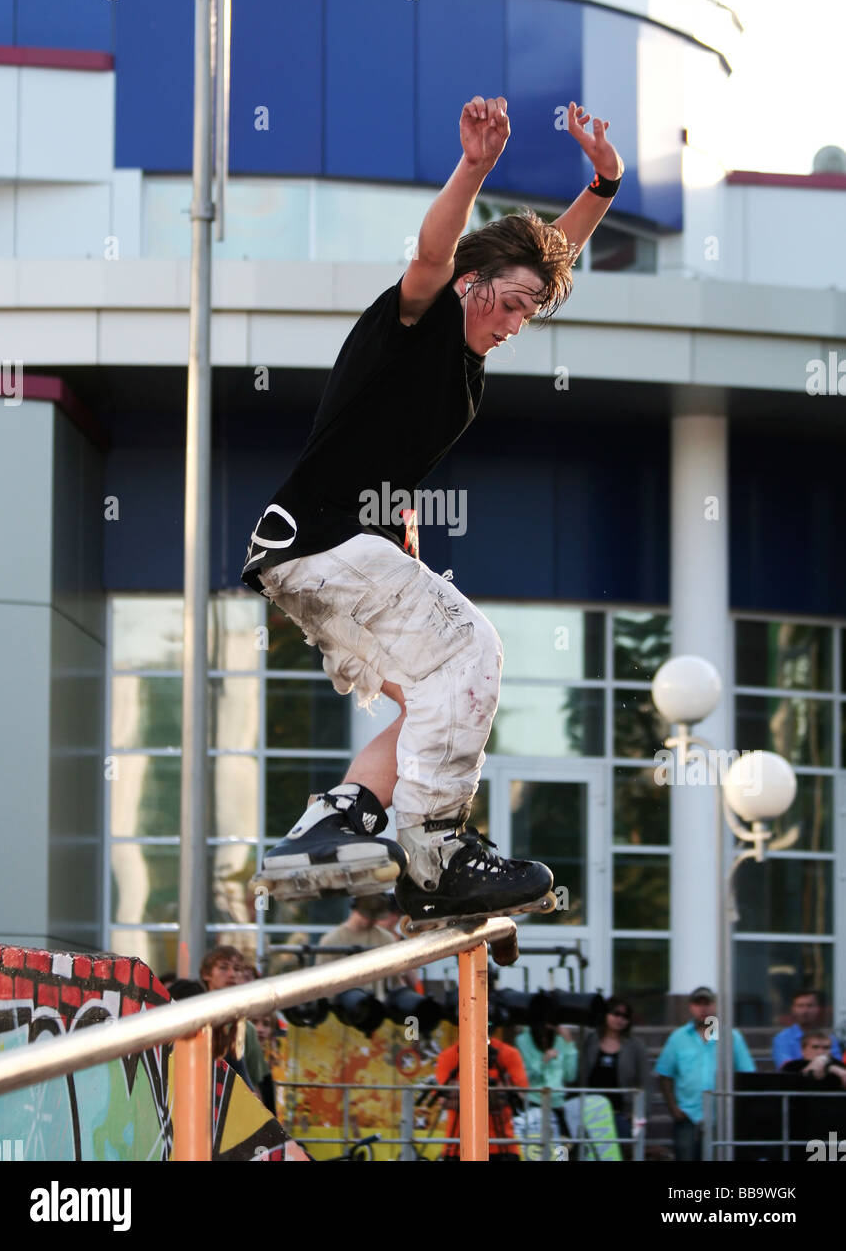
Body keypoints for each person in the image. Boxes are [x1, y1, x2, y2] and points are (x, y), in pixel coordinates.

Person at [242, 94, 624, 928]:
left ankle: (329, 825)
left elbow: (541, 257)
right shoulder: (417, 316)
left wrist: (602, 184)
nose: (518, 323)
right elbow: (432, 250)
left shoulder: (468, 348)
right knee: (470, 649)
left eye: (531, 312)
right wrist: (476, 166)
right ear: (470, 285)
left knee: (431, 699)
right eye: (513, 304)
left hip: (313, 559)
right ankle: (436, 850)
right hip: (325, 540)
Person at [655, 985, 755, 1161]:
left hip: (722, 1116)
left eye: (707, 1003)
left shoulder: (731, 1036)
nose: (703, 1008)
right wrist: (673, 1109)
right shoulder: (678, 1038)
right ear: (690, 1006)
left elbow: (747, 1074)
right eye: (697, 1003)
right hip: (688, 1116)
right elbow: (664, 1075)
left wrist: (737, 1109)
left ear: (715, 1005)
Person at [199, 944, 273, 1107]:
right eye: (223, 968)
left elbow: (255, 1080)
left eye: (237, 969)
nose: (232, 974)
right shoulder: (192, 1018)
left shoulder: (246, 1028)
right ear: (206, 974)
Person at [436, 1030, 528, 1161]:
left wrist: (463, 1091)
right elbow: (444, 1100)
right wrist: (492, 1091)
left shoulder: (509, 1053)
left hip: (502, 1146)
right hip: (457, 1147)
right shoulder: (448, 1055)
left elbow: (517, 1095)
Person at [577, 996, 651, 1157]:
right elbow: (581, 1075)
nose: (620, 1019)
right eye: (616, 1013)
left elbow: (645, 1082)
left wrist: (638, 1113)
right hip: (591, 1113)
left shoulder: (635, 1045)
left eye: (625, 1016)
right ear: (605, 1014)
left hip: (621, 1114)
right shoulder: (591, 1041)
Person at [513, 1022, 577, 1156]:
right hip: (532, 1103)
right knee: (534, 1152)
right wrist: (544, 1061)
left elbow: (570, 1075)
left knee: (563, 1151)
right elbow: (524, 1076)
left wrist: (570, 1044)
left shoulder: (560, 1040)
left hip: (557, 1104)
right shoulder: (522, 1040)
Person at [317, 895, 397, 998]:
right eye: (367, 916)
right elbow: (321, 980)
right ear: (355, 909)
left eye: (375, 917)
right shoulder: (332, 940)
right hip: (343, 1005)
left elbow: (396, 979)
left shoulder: (386, 938)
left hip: (378, 1005)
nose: (372, 920)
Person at [772, 989, 842, 1069]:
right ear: (793, 1009)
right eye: (800, 1006)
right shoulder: (782, 1039)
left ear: (818, 1008)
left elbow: (838, 1064)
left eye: (810, 1005)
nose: (805, 1011)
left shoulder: (830, 1038)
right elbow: (787, 1067)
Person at [780, 1030, 846, 1090]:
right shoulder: (791, 1066)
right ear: (803, 1050)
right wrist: (828, 1067)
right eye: (815, 1047)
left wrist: (834, 1068)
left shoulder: (839, 1066)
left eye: (826, 1048)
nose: (820, 1051)